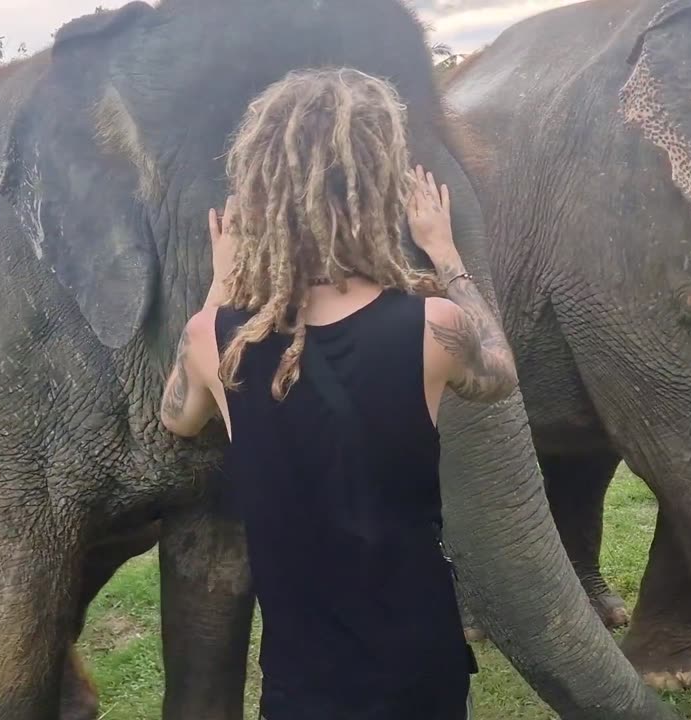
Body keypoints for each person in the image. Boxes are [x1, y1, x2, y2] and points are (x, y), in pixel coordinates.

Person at [159, 68, 518, 720]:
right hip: (421, 678)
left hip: (301, 689)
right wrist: (445, 254)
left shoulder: (216, 341)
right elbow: (498, 372)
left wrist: (219, 288)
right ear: (377, 186)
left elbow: (177, 418)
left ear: (261, 191)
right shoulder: (433, 328)